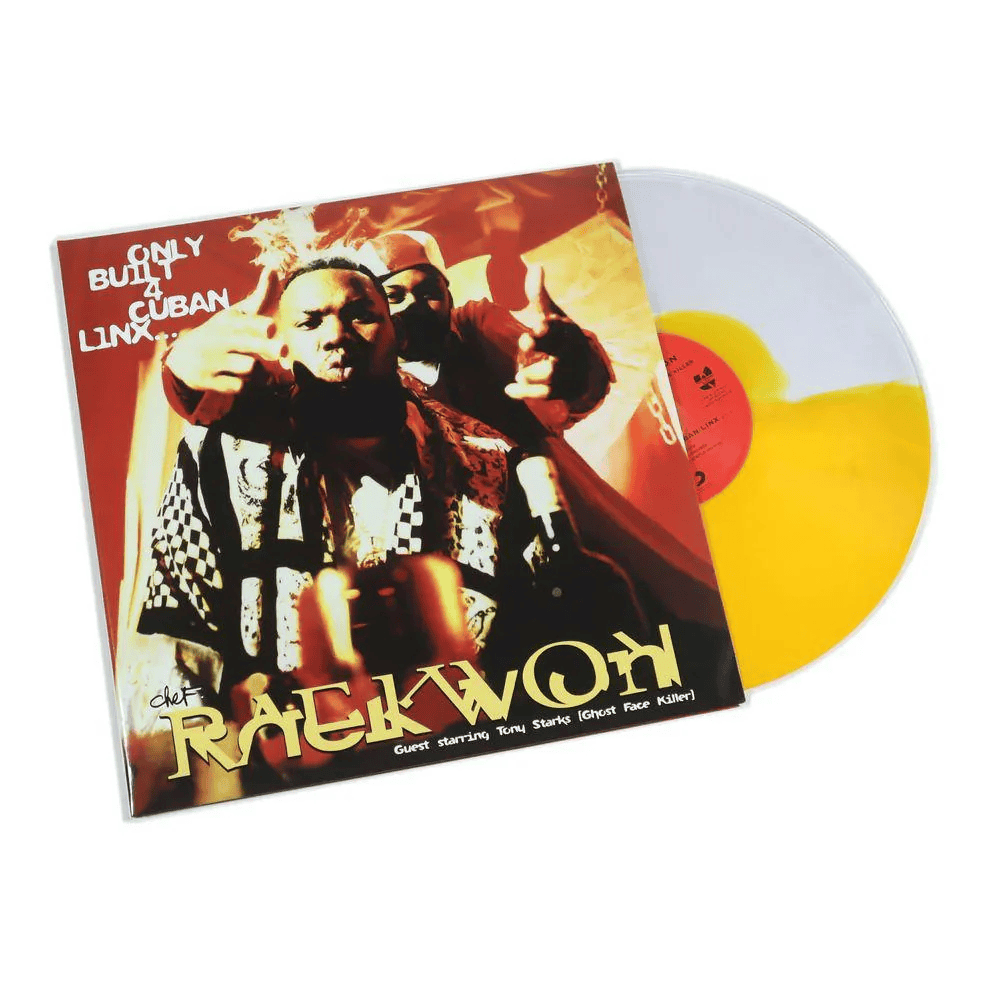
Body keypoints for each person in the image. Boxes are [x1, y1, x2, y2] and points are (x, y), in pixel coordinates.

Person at [127, 256, 534, 810]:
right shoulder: (217, 456)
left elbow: (535, 634)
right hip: (279, 780)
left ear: (396, 333)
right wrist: (205, 779)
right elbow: (176, 640)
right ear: (283, 346)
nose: (337, 334)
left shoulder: (488, 458)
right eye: (310, 320)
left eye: (360, 315)